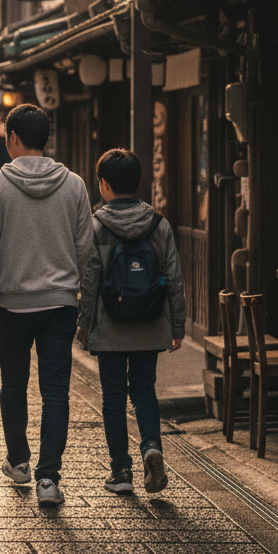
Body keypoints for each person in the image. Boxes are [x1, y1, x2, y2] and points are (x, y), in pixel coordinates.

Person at [0, 103, 94, 508]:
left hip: (13, 304)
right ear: (46, 139)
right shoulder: (75, 185)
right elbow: (85, 249)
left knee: (13, 386)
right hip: (61, 303)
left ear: (12, 137)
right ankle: (49, 478)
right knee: (56, 391)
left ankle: (19, 461)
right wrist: (82, 297)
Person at [78, 148, 185, 495]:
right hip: (151, 322)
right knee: (143, 389)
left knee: (112, 396)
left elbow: (89, 281)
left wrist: (83, 325)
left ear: (104, 185)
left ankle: (121, 471)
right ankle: (151, 446)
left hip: (111, 326)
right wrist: (178, 326)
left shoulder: (96, 226)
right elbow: (175, 278)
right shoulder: (159, 224)